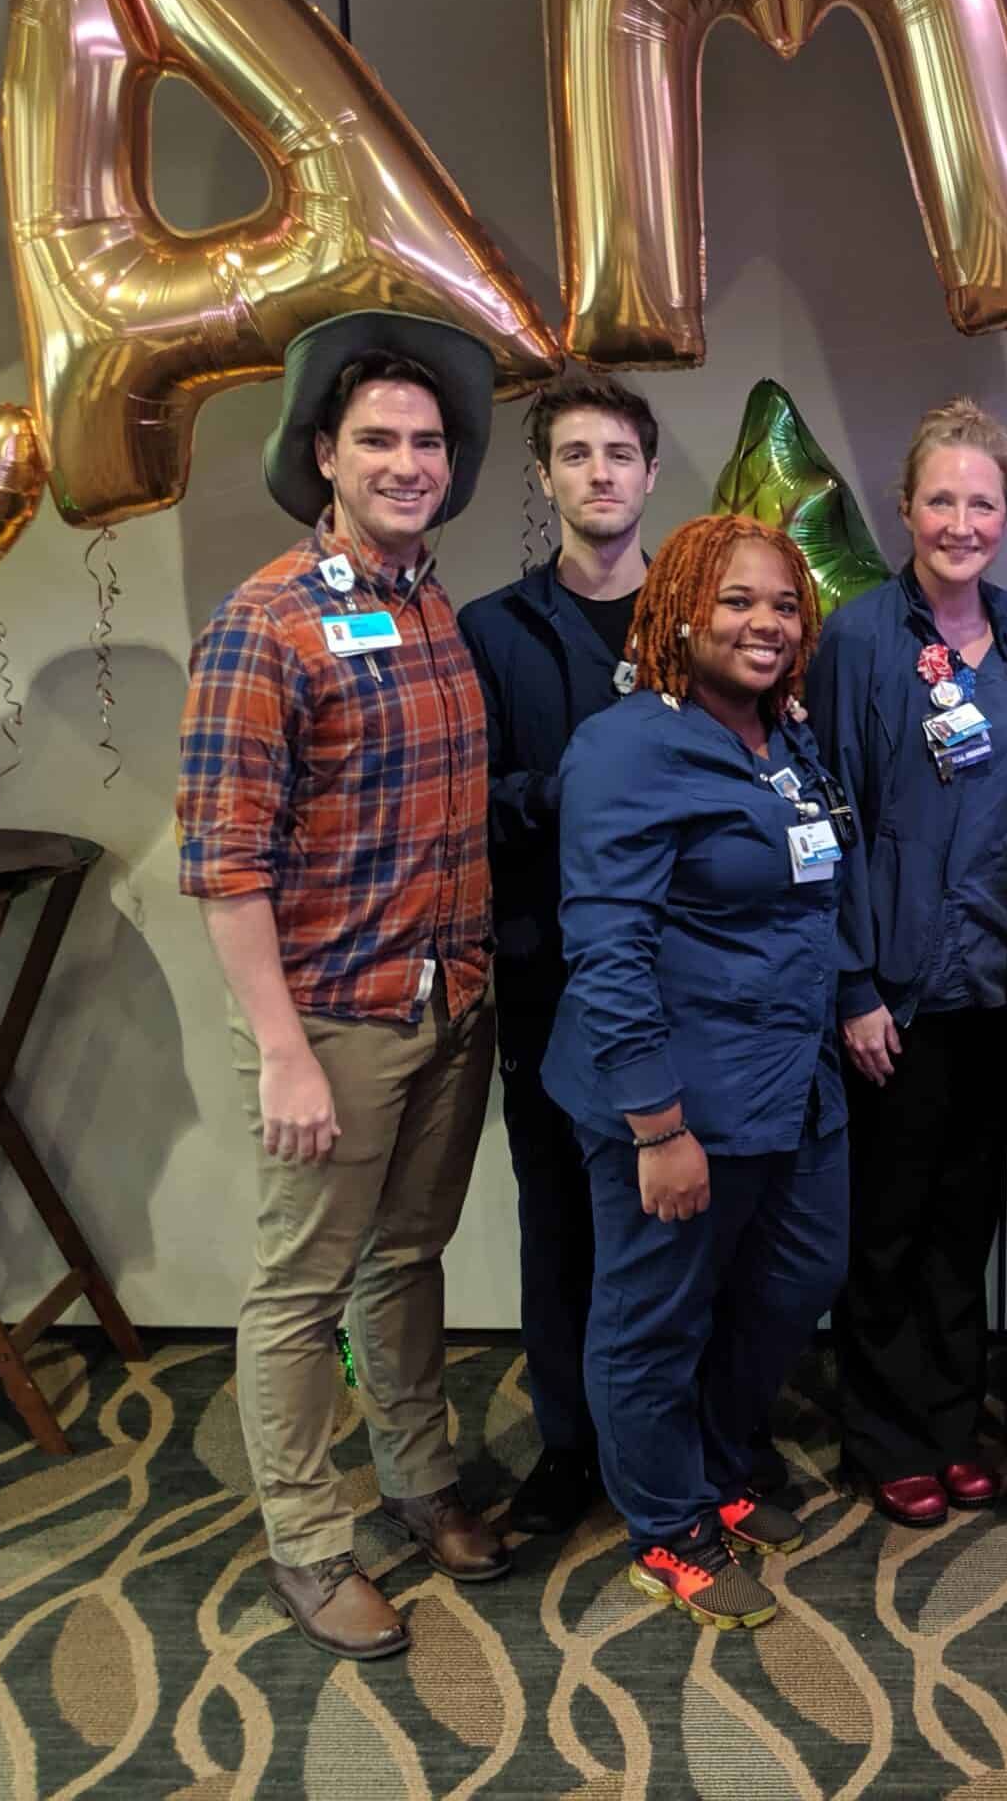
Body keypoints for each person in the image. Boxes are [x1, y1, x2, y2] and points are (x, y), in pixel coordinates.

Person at [178, 311, 506, 1661]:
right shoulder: (263, 626)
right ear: (323, 454)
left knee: (410, 1257)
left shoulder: (429, 599)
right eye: (377, 439)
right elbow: (224, 860)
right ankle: (309, 1543)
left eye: (427, 442)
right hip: (336, 1016)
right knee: (298, 1292)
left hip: (452, 998)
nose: (407, 462)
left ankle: (418, 1476)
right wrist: (282, 1051)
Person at [542, 514, 862, 1633]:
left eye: (782, 604)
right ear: (679, 609)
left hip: (790, 1077)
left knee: (800, 1276)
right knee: (652, 1315)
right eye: (736, 601)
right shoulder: (628, 749)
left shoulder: (783, 738)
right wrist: (656, 1124)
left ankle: (723, 1461)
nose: (764, 624)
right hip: (676, 1093)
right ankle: (666, 1525)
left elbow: (812, 885)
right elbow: (607, 946)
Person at [807, 399, 1007, 1528]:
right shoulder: (857, 639)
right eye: (942, 498)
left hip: (998, 987)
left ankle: (954, 1423)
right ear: (905, 508)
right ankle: (885, 1432)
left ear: (1006, 518)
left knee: (968, 1215)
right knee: (890, 1219)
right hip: (894, 988)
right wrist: (852, 986)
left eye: (983, 502)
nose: (962, 521)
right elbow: (829, 816)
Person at [459, 373, 663, 1537]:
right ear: (544, 480)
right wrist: (575, 792)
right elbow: (465, 800)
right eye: (575, 455)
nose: (599, 474)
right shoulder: (493, 630)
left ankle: (672, 1434)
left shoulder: (695, 617)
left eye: (619, 454)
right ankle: (567, 1444)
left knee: (678, 1217)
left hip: (677, 975)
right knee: (561, 1218)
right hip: (546, 974)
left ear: (646, 474)